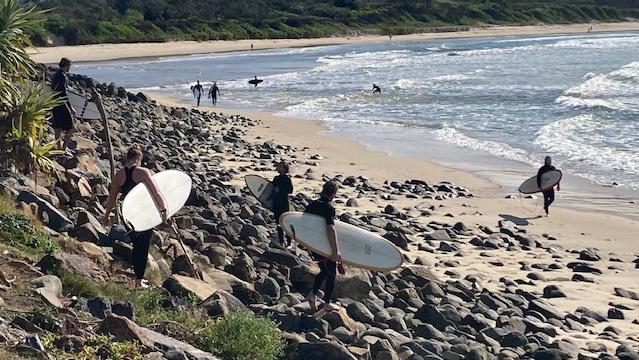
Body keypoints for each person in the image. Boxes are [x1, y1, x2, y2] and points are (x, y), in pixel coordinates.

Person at [103, 144, 168, 288]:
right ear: (138, 158)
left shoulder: (119, 175)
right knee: (142, 247)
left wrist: (106, 216)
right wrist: (164, 211)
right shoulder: (143, 172)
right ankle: (138, 280)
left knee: (136, 246)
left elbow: (112, 198)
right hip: (144, 215)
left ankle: (138, 278)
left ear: (127, 158)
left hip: (129, 215)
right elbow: (156, 192)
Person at [304, 180, 341, 312]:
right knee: (331, 272)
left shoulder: (312, 205)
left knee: (325, 270)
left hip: (313, 244)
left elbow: (304, 223)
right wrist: (335, 251)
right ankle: (326, 302)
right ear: (334, 193)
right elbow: (330, 229)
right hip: (323, 245)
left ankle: (313, 294)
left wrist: (305, 243)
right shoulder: (328, 208)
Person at [50, 58, 76, 152]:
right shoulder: (62, 76)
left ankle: (59, 147)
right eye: (69, 66)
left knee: (58, 127)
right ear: (66, 65)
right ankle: (63, 148)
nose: (69, 68)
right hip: (62, 104)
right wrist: (70, 107)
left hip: (54, 103)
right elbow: (63, 93)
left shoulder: (55, 74)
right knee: (72, 127)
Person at [272, 160, 293, 247]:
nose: (278, 167)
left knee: (286, 222)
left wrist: (280, 190)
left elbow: (290, 190)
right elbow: (271, 191)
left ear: (284, 169)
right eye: (278, 166)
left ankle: (289, 242)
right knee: (278, 223)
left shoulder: (287, 179)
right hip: (276, 203)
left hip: (284, 203)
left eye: (280, 166)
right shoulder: (276, 178)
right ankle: (281, 241)